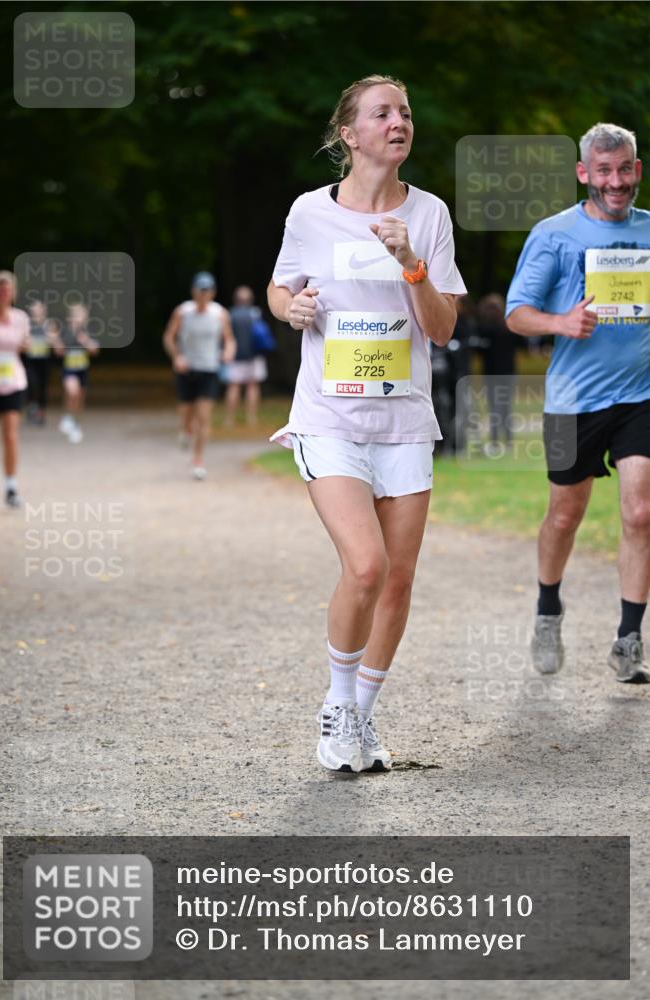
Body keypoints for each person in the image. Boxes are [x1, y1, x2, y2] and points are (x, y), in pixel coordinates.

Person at [267, 75, 466, 773]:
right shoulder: (308, 212)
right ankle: (337, 702)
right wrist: (287, 310)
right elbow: (282, 284)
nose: (398, 122)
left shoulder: (431, 215)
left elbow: (441, 331)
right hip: (329, 415)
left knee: (399, 578)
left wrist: (410, 263)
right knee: (366, 565)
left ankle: (361, 717)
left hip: (405, 420)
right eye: (382, 113)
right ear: (348, 133)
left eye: (405, 112)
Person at [506, 123, 650, 684]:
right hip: (574, 399)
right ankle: (547, 608)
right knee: (565, 515)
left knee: (641, 512)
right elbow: (518, 312)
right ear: (584, 173)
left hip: (641, 395)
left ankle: (629, 638)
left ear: (637, 170)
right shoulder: (554, 234)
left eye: (625, 170)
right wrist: (561, 322)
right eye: (604, 171)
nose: (615, 182)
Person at [162, 272, 236, 479]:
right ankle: (185, 431)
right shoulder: (183, 312)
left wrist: (229, 351)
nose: (203, 295)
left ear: (213, 292)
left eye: (207, 291)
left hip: (209, 369)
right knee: (186, 413)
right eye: (200, 290)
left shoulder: (220, 314)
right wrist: (177, 357)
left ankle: (198, 460)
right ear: (193, 291)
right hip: (186, 369)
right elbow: (169, 336)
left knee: (203, 416)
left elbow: (229, 339)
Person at [0, 270, 31, 509]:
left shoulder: (20, 318)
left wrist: (26, 345)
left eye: (8, 290)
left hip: (12, 381)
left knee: (11, 435)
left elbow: (25, 344)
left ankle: (11, 486)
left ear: (13, 294)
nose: (4, 294)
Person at [477, 292, 519, 456]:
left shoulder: (484, 329)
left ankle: (495, 440)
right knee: (505, 407)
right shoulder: (508, 327)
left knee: (494, 407)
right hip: (508, 373)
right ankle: (508, 440)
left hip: (491, 373)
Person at [224, 285, 270, 428]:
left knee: (234, 386)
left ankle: (229, 419)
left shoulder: (229, 315)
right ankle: (252, 418)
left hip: (235, 356)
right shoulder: (255, 313)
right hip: (254, 356)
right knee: (253, 386)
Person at [53, 303, 99, 444]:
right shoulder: (65, 332)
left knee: (79, 400)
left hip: (82, 370)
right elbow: (58, 352)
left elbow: (95, 351)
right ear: (70, 317)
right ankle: (67, 417)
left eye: (81, 315)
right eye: (75, 315)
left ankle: (75, 425)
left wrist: (85, 341)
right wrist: (55, 339)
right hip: (69, 369)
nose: (78, 318)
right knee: (72, 392)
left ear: (86, 318)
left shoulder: (88, 332)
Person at [23, 299, 54, 426]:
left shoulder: (49, 324)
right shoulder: (26, 325)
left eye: (39, 309)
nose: (36, 311)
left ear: (44, 310)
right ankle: (32, 406)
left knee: (43, 388)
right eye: (34, 309)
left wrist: (49, 337)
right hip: (30, 361)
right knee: (32, 384)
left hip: (44, 361)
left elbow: (56, 344)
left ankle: (41, 413)